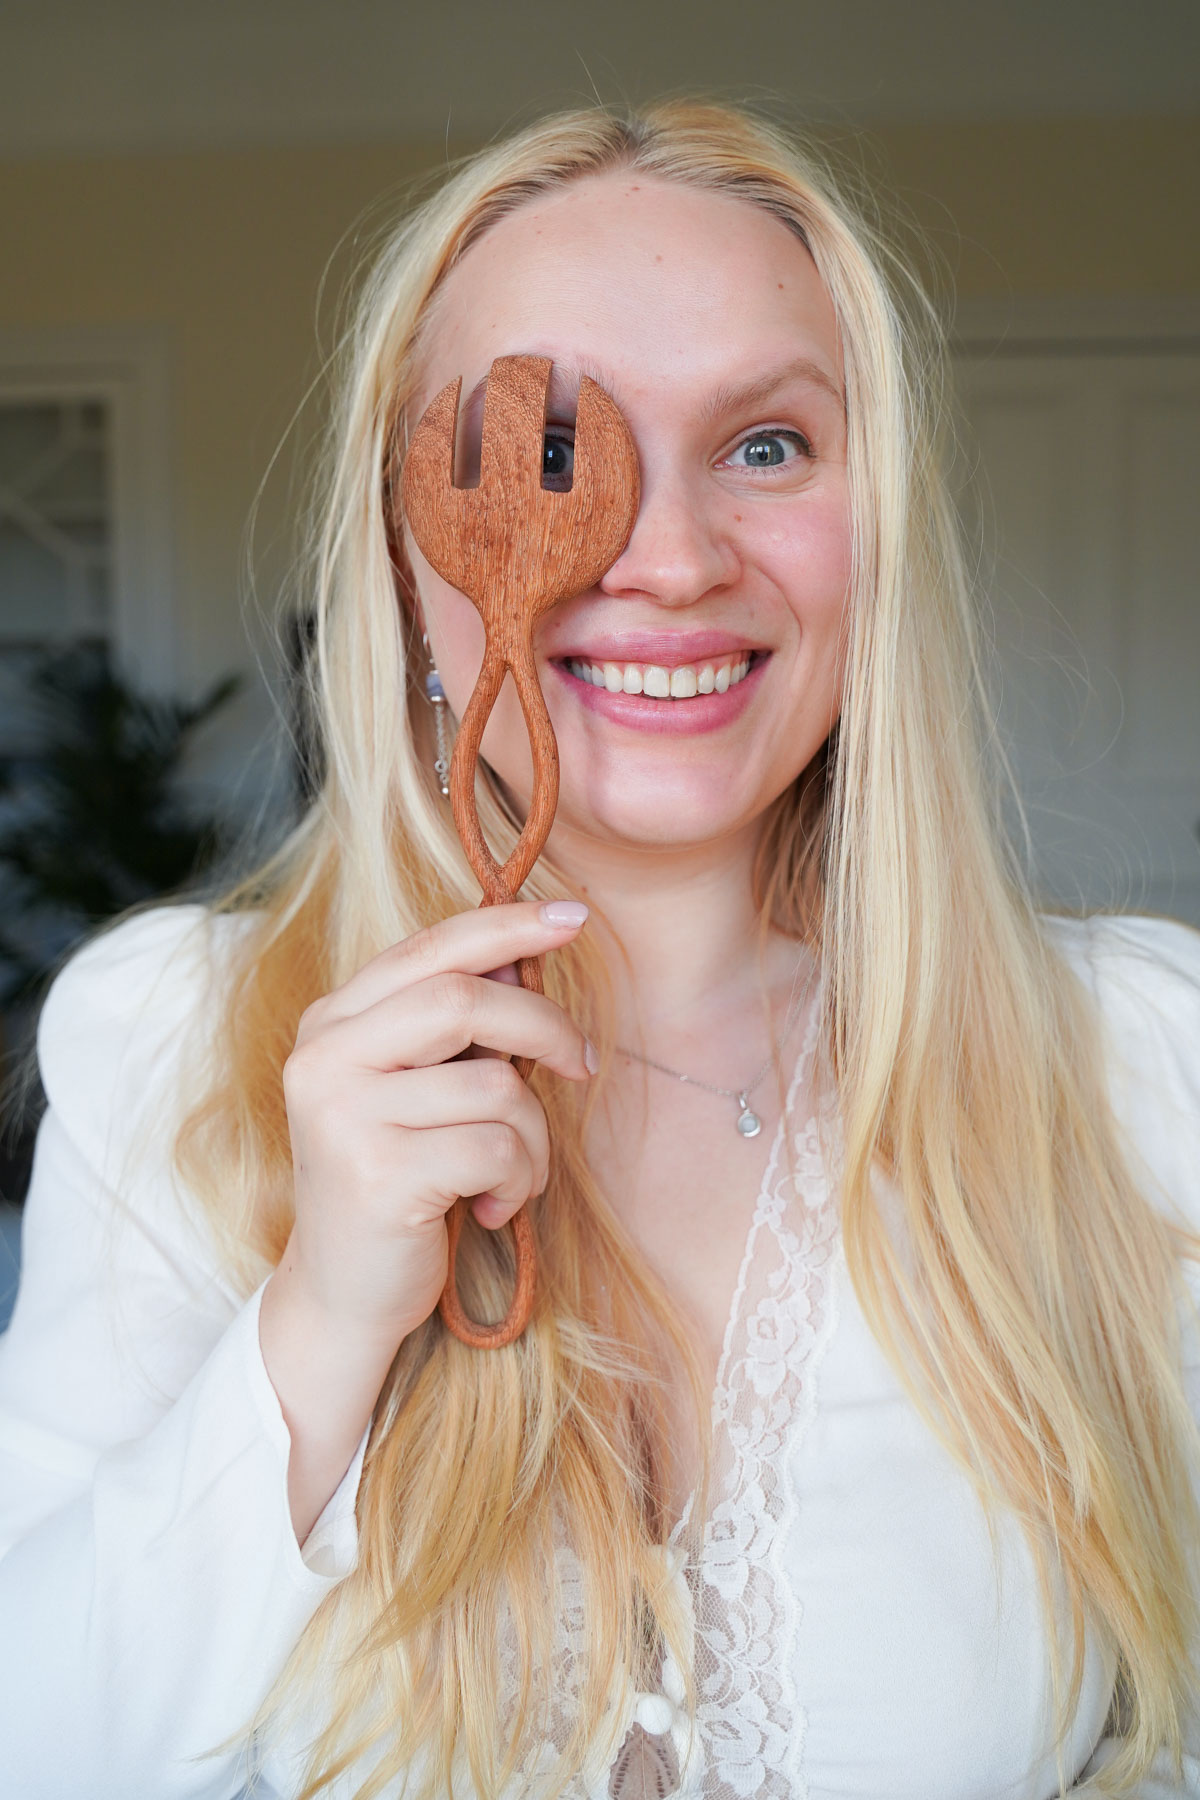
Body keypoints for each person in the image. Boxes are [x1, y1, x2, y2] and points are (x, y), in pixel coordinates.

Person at [1, 99, 1199, 1800]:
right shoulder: (175, 1044)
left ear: (884, 530)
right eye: (546, 454)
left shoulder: (1142, 1058)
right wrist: (324, 1320)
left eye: (768, 445)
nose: (670, 559)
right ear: (411, 550)